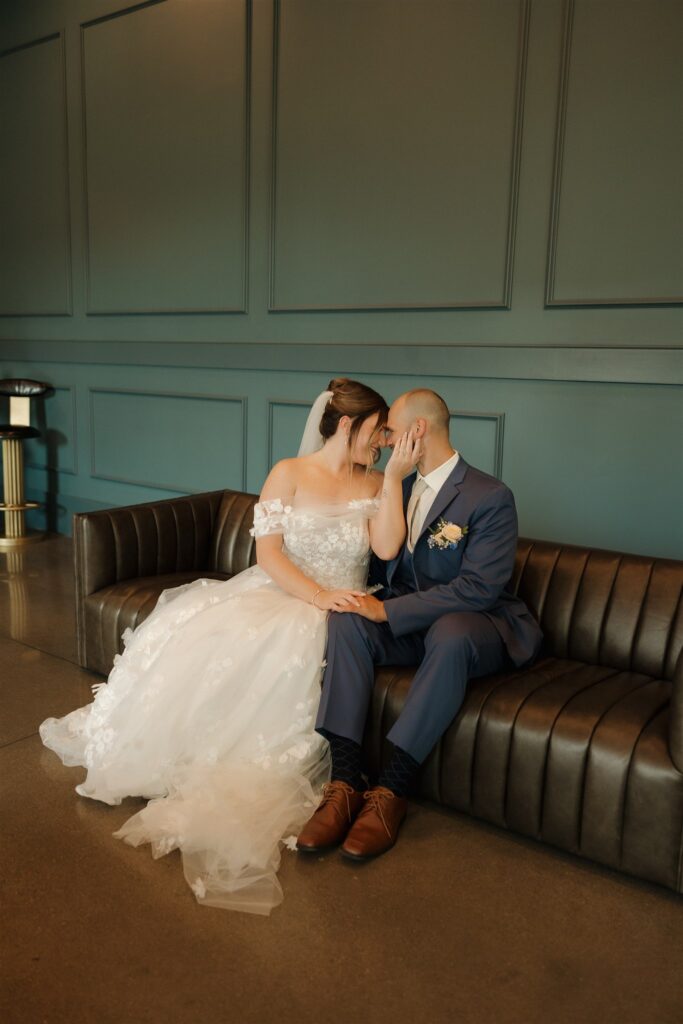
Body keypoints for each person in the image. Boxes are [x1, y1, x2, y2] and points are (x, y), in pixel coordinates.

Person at [39, 378, 421, 915]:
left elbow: (384, 545)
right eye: (377, 431)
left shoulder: (378, 480)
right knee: (223, 649)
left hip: (347, 609)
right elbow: (269, 555)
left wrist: (396, 482)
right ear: (348, 425)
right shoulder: (288, 474)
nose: (382, 441)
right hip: (290, 593)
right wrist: (316, 596)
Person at [297, 388, 543, 861]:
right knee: (347, 620)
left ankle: (391, 791)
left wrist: (387, 612)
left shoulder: (490, 496)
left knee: (450, 634)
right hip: (413, 622)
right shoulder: (398, 486)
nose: (385, 439)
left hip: (479, 624)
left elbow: (478, 589)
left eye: (390, 429)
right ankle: (345, 782)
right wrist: (356, 599)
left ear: (418, 431)